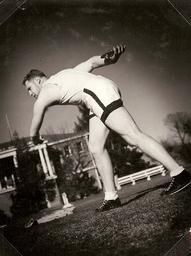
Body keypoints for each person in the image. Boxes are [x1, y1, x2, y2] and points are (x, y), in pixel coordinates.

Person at [22, 44, 191, 212]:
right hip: (98, 93)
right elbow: (91, 63)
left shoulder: (46, 89)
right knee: (95, 147)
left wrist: (34, 137)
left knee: (133, 136)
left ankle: (180, 174)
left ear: (38, 80)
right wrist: (108, 58)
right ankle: (111, 198)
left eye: (29, 88)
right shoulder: (65, 75)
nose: (30, 93)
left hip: (97, 93)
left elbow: (38, 111)